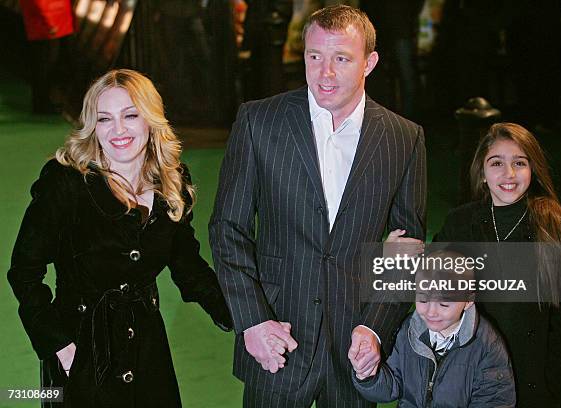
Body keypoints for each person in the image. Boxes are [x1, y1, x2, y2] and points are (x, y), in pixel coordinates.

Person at [209, 4, 427, 407]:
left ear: (370, 62)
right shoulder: (259, 121)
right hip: (276, 336)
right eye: (315, 57)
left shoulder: (404, 139)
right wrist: (252, 321)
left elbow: (406, 250)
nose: (324, 73)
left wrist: (376, 329)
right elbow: (227, 229)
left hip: (354, 345)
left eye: (341, 59)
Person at [7, 69, 232, 408]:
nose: (119, 130)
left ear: (151, 120)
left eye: (130, 115)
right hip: (81, 347)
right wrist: (59, 345)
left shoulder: (171, 183)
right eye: (104, 119)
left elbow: (188, 267)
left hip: (146, 345)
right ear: (92, 127)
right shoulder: (66, 183)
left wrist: (246, 317)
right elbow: (24, 270)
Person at [434, 122, 561, 407]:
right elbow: (431, 291)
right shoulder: (460, 224)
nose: (508, 174)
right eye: (496, 163)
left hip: (537, 383)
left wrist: (555, 385)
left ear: (532, 171)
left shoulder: (558, 231)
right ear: (482, 172)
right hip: (475, 380)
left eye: (519, 163)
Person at [351, 250, 516, 407]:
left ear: (468, 300)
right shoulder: (407, 331)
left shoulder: (487, 345)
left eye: (444, 304)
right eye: (422, 300)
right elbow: (390, 386)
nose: (431, 312)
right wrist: (369, 375)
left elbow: (495, 400)